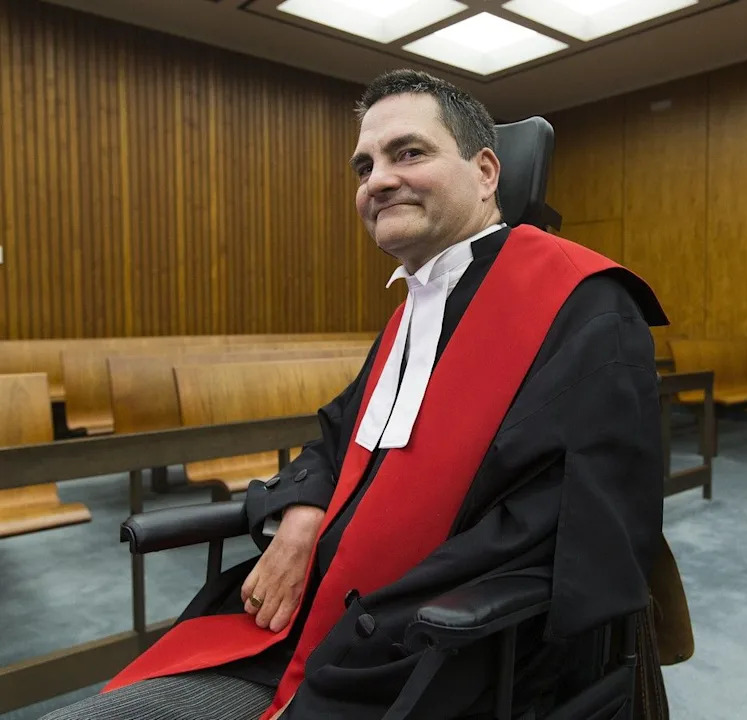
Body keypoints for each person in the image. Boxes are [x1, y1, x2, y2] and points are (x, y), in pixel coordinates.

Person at [43, 68, 668, 720]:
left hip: (437, 663)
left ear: (486, 173)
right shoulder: (414, 309)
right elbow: (338, 436)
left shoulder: (583, 305)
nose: (378, 179)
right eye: (364, 166)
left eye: (409, 153)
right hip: (306, 627)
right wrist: (304, 508)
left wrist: (375, 627)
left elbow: (563, 533)